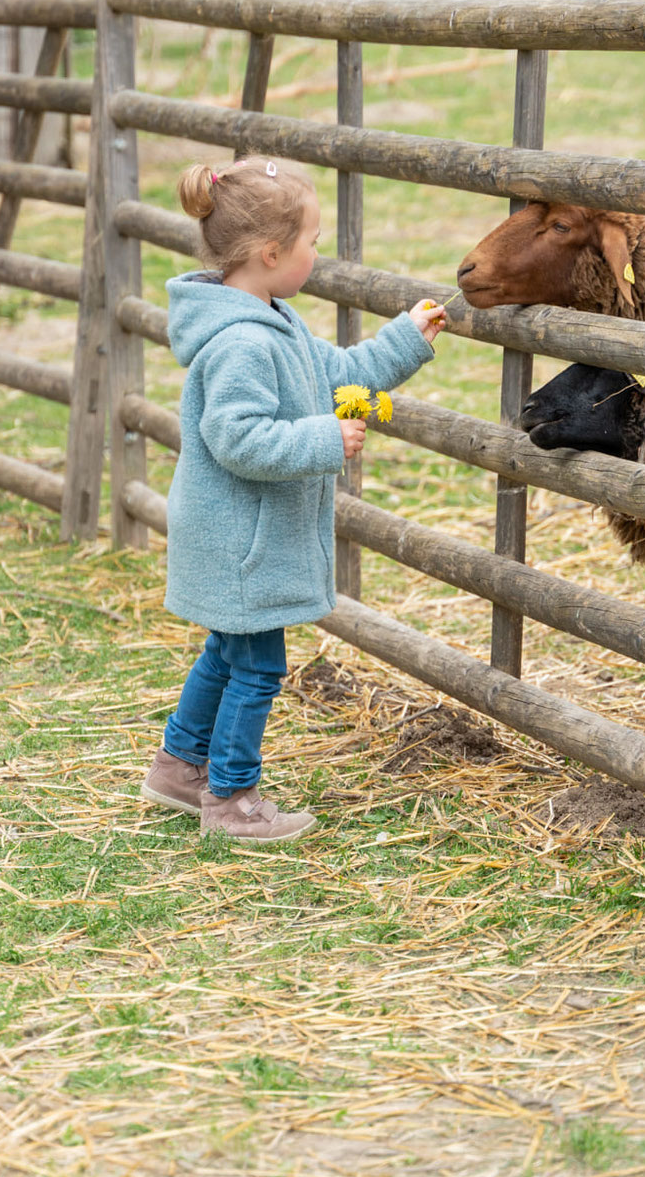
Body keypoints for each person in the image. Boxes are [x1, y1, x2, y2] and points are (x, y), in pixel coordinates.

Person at [139, 158, 448, 843]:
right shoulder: (242, 342)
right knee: (258, 666)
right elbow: (236, 438)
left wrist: (404, 339)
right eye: (312, 240)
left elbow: (335, 370)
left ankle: (178, 768)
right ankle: (232, 798)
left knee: (226, 652)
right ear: (270, 253)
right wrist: (321, 438)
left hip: (244, 537)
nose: (317, 252)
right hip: (243, 542)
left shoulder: (272, 320)